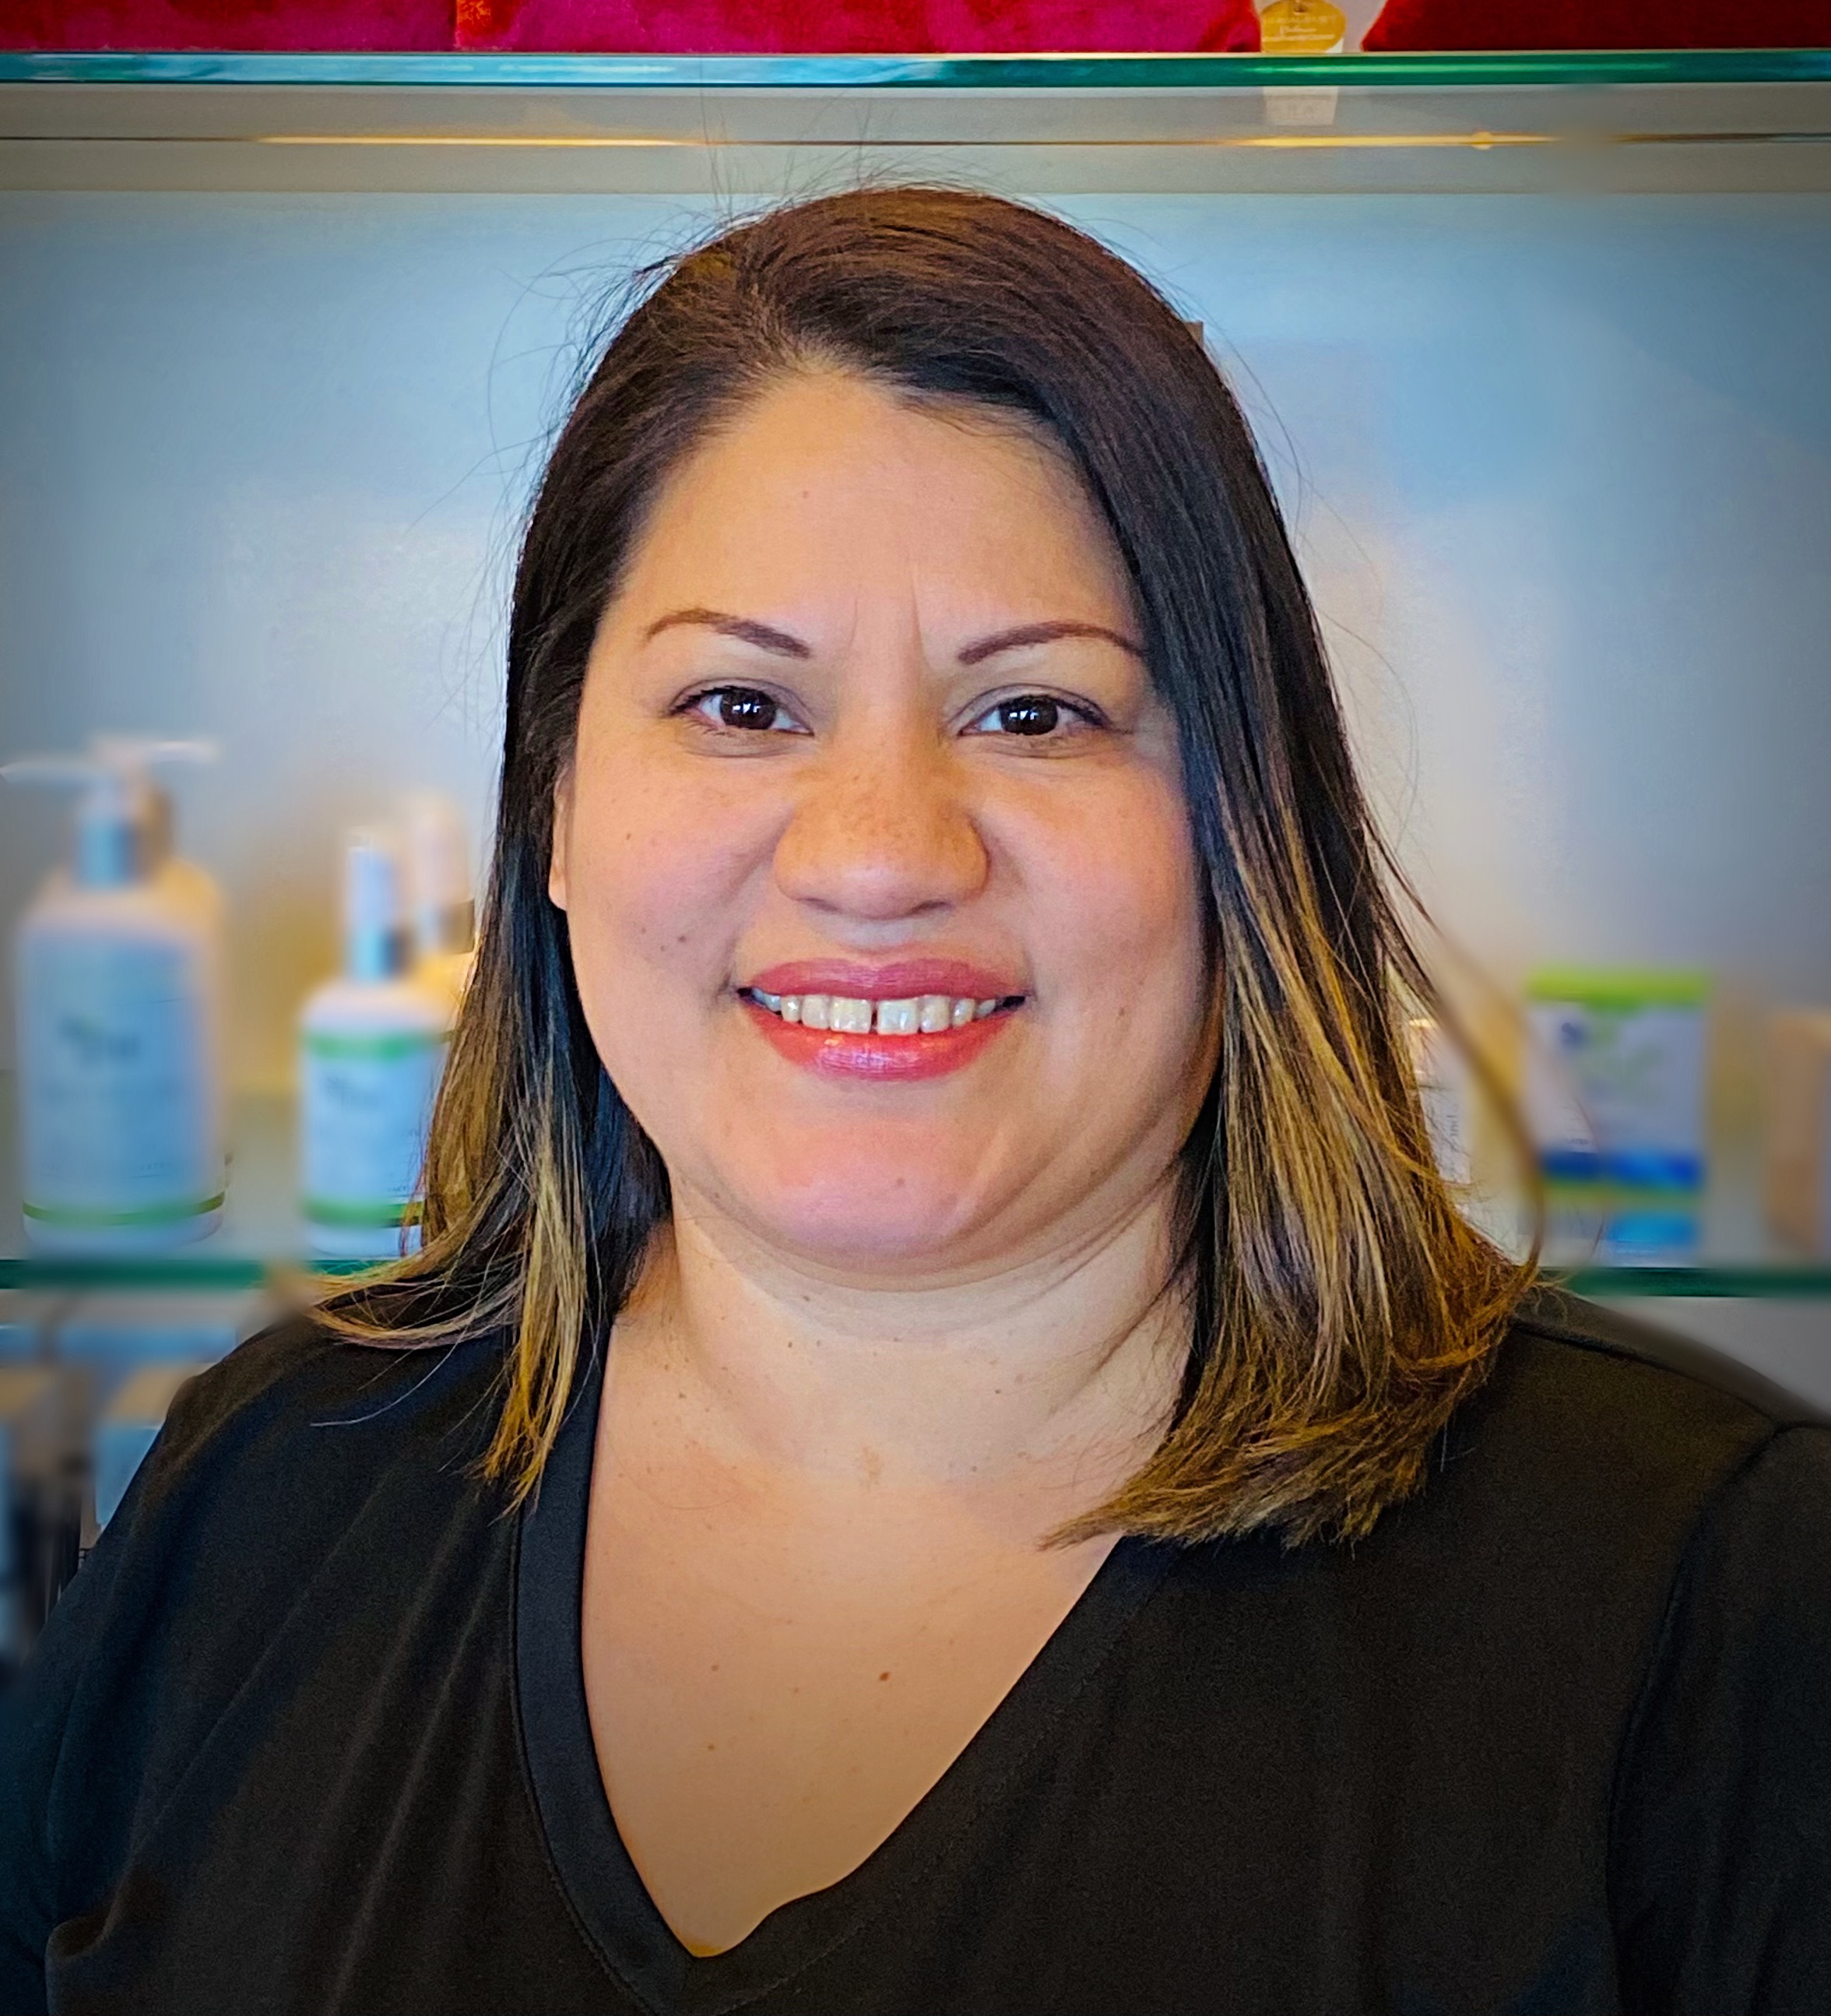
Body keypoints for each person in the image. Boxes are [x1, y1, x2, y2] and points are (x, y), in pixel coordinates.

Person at [2, 186, 1827, 2016]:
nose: (878, 855)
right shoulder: (258, 1492)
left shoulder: (1700, 1598)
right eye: (741, 705)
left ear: (1247, 823)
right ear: (553, 804)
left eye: (1036, 713)